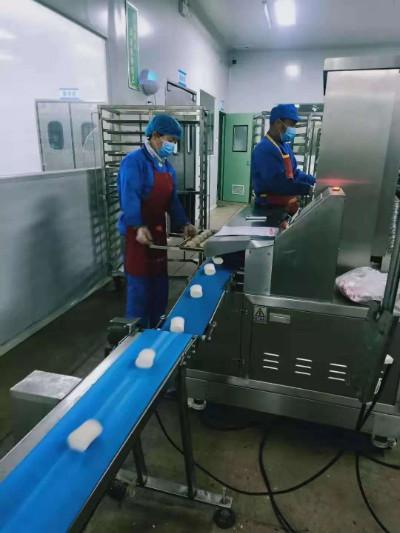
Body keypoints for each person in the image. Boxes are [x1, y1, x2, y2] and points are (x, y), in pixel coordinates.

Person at [117, 114, 196, 327]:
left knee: (159, 285)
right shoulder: (134, 162)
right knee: (140, 288)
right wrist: (138, 225)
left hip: (157, 233)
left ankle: (157, 328)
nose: (173, 145)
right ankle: (136, 336)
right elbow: (129, 196)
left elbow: (172, 201)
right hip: (137, 235)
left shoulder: (167, 167)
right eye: (170, 139)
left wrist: (184, 223)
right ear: (155, 136)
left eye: (175, 141)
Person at [251, 104, 315, 214]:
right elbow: (277, 184)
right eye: (292, 124)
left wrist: (315, 181)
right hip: (268, 208)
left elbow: (294, 173)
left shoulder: (285, 146)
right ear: (278, 123)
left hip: (285, 205)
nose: (293, 129)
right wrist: (308, 189)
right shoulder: (264, 149)